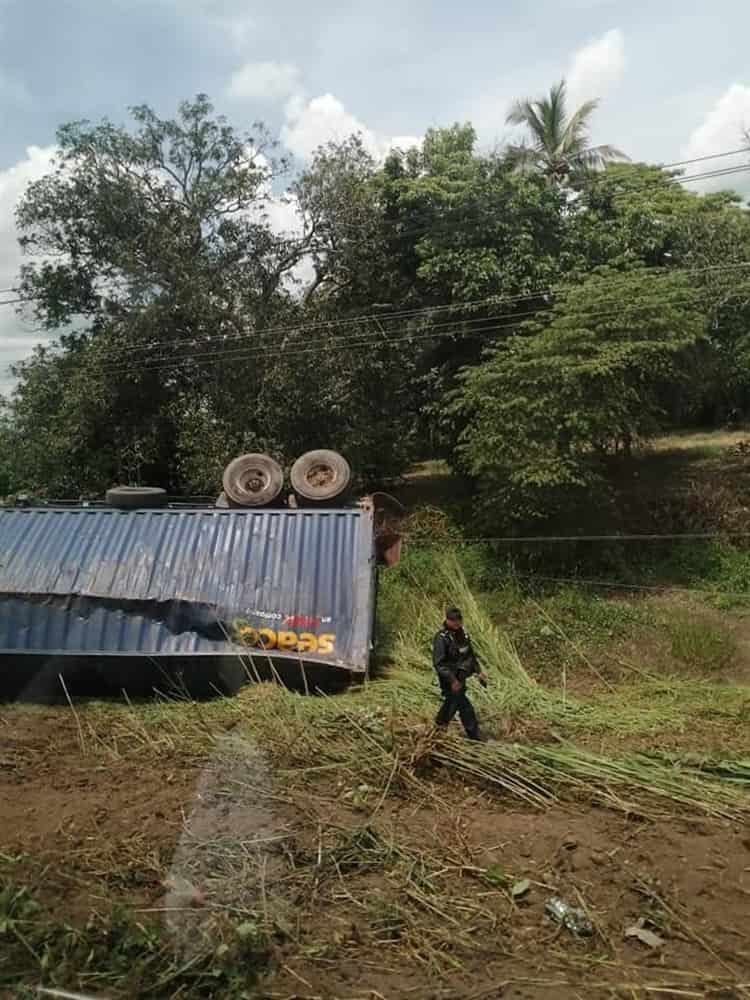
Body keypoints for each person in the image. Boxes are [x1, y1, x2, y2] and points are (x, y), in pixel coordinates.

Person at [432, 606, 487, 740]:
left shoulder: (464, 635)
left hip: (461, 676)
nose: (456, 622)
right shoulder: (441, 638)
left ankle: (439, 728)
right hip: (449, 678)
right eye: (453, 620)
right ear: (447, 620)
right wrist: (452, 681)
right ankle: (473, 735)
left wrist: (478, 671)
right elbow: (439, 664)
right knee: (462, 704)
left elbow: (470, 655)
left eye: (458, 620)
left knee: (455, 703)